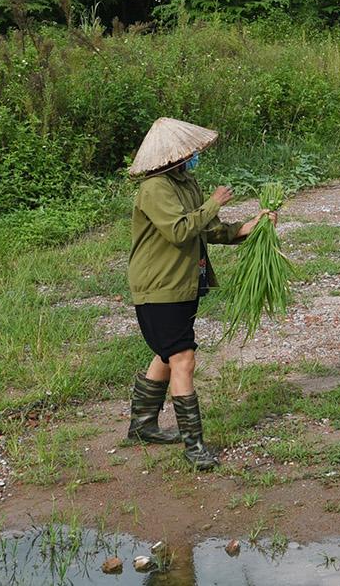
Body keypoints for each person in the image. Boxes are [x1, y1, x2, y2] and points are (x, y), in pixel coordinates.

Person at [124, 116, 270, 470]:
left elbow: (210, 231)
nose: (194, 156)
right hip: (159, 286)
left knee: (168, 352)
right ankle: (194, 446)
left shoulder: (185, 182)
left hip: (184, 282)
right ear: (174, 154)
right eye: (190, 151)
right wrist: (214, 202)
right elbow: (179, 231)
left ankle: (142, 425)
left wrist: (251, 227)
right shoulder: (155, 188)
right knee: (183, 357)